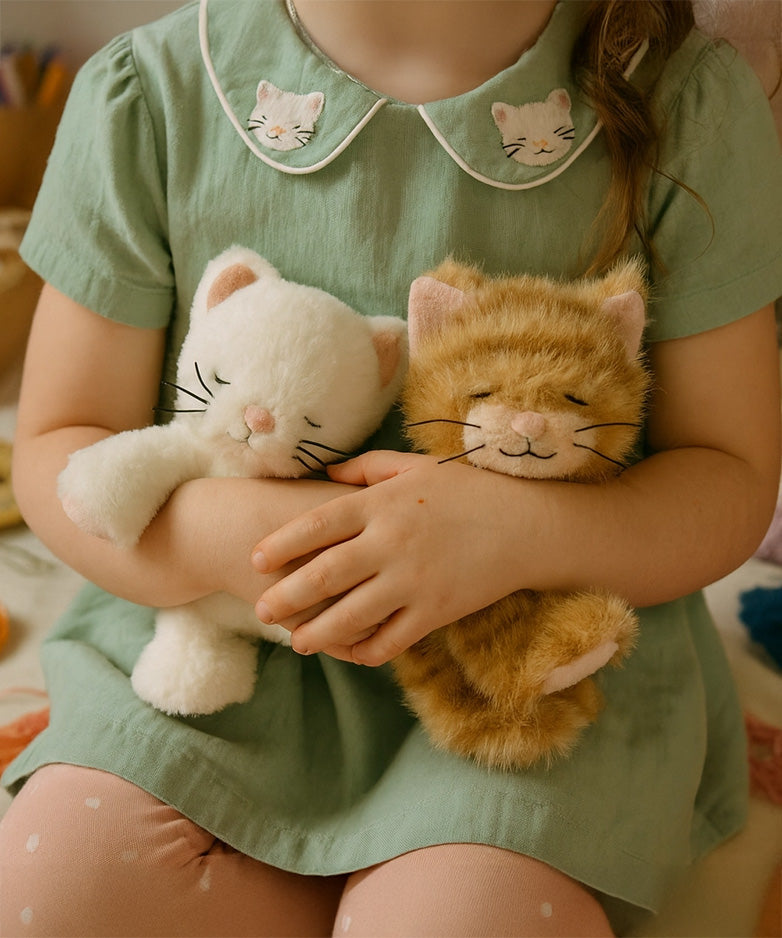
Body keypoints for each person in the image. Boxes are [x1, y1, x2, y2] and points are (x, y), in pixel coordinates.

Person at [1, 0, 781, 935]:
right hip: (219, 648)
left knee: (465, 921)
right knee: (59, 895)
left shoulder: (684, 100)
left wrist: (514, 534)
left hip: (526, 676)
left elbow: (727, 474)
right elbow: (65, 445)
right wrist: (240, 539)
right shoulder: (150, 94)